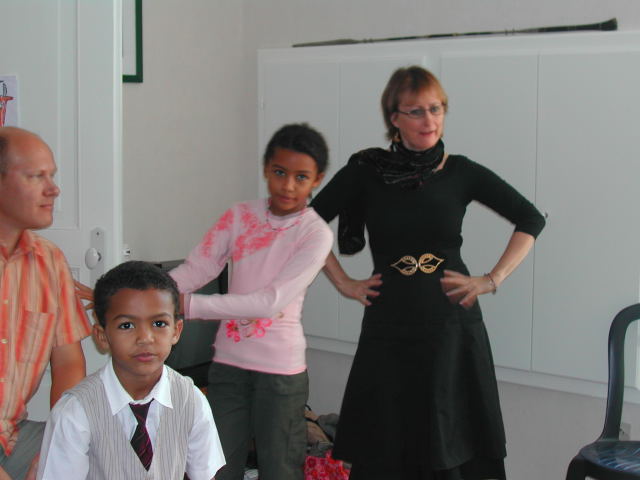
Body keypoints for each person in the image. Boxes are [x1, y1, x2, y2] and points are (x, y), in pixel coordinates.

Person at [310, 66, 546, 479]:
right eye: (416, 111)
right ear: (394, 118)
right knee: (389, 442)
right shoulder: (367, 171)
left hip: (451, 328)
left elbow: (531, 218)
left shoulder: (461, 171)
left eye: (436, 109)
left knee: (451, 441)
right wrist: (343, 282)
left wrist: (491, 279)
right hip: (389, 327)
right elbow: (305, 225)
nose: (429, 120)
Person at [169, 123, 333, 480]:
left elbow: (270, 302)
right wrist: (152, 293)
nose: (288, 185)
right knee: (214, 468)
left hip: (281, 374)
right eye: (280, 172)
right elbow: (199, 267)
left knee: (279, 471)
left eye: (301, 177)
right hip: (228, 366)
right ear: (266, 168)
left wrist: (188, 306)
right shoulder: (240, 215)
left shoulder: (315, 233)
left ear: (317, 179)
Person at [36, 260, 225, 479]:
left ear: (176, 331)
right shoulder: (75, 412)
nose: (145, 338)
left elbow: (205, 475)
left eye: (159, 323)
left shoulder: (190, 400)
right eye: (126, 325)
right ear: (102, 336)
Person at [0, 127, 91, 480]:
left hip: (13, 436)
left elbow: (68, 363)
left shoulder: (50, 261)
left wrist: (59, 444)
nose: (53, 189)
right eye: (36, 176)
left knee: (113, 449)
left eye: (51, 175)